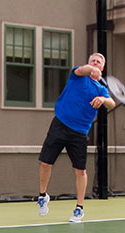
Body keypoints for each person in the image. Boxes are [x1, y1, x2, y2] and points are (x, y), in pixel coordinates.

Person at [37, 53, 115, 223]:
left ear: (102, 68)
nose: (95, 63)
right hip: (60, 124)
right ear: (89, 63)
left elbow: (112, 103)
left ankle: (79, 209)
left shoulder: (101, 89)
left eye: (99, 62)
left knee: (81, 171)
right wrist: (91, 69)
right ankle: (43, 195)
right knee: (45, 163)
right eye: (93, 60)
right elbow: (84, 70)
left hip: (79, 133)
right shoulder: (78, 74)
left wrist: (103, 99)